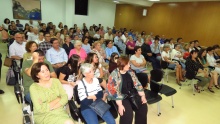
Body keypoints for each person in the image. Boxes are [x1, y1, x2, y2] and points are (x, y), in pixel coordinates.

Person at [107, 56, 147, 124]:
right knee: (127, 114)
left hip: (131, 93)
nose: (129, 65)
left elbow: (137, 83)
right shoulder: (114, 75)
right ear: (122, 65)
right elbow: (114, 91)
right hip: (120, 96)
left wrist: (142, 95)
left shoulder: (130, 71)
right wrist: (119, 105)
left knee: (143, 108)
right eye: (128, 64)